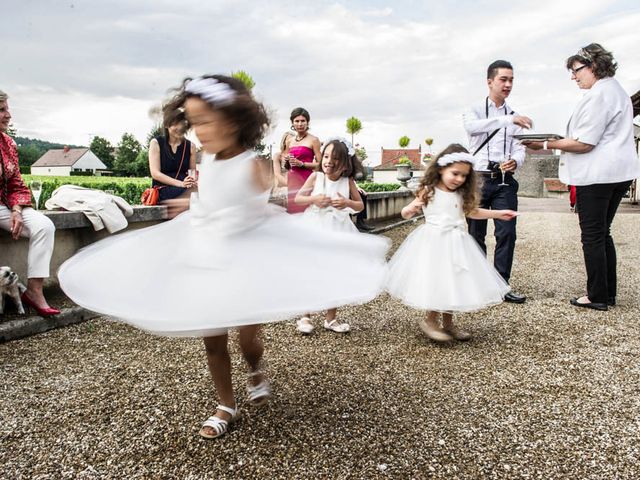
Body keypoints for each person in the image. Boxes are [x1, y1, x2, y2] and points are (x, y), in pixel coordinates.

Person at [58, 75, 389, 439]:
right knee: (213, 339)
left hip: (245, 257)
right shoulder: (206, 158)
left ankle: (255, 369)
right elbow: (210, 196)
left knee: (247, 340)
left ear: (234, 121)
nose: (199, 131)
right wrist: (190, 202)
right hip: (206, 256)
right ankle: (225, 404)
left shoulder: (253, 166)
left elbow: (257, 209)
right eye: (194, 122)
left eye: (205, 121)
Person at [523, 44, 640, 311]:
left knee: (592, 236)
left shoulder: (599, 95)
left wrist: (544, 144)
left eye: (576, 70)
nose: (573, 76)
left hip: (597, 175)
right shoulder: (616, 90)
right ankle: (607, 292)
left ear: (594, 66)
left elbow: (585, 143)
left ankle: (597, 295)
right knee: (603, 233)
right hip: (618, 174)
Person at [386, 144, 517, 342]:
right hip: (434, 242)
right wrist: (411, 209)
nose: (459, 179)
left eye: (464, 176)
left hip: (456, 242)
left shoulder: (461, 193)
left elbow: (472, 212)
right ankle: (430, 322)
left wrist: (498, 213)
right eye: (455, 173)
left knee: (452, 282)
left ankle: (448, 324)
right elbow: (406, 212)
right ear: (441, 169)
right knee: (437, 281)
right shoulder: (429, 191)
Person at [463, 60, 532, 304]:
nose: (508, 84)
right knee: (475, 234)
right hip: (478, 179)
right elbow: (471, 128)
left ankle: (501, 285)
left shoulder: (514, 116)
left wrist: (515, 160)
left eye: (511, 80)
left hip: (504, 180)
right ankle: (479, 284)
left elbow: (520, 148)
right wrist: (507, 121)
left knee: (507, 233)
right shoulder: (475, 110)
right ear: (490, 81)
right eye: (503, 79)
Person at [294, 137, 366, 334]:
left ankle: (330, 318)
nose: (328, 162)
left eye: (334, 159)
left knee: (335, 271)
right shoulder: (316, 177)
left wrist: (348, 203)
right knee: (310, 270)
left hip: (338, 230)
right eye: (326, 156)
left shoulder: (347, 181)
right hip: (315, 227)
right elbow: (299, 198)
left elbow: (360, 205)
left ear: (344, 164)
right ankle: (305, 316)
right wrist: (314, 199)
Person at [0, 90, 59, 317]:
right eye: (1, 110)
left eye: (7, 109)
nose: (8, 115)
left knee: (45, 226)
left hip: (6, 205)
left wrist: (16, 209)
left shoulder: (9, 144)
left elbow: (16, 183)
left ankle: (34, 290)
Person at [148, 103, 197, 202]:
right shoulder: (156, 143)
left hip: (184, 188)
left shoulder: (191, 146)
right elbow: (155, 173)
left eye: (182, 123)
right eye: (175, 124)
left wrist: (191, 182)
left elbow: (192, 173)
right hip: (163, 189)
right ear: (166, 125)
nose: (179, 127)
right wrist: (181, 183)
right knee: (190, 195)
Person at [282, 107, 321, 214]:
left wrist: (302, 164)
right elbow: (286, 166)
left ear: (308, 122)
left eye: (303, 121)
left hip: (307, 179)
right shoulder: (289, 141)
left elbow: (321, 165)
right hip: (292, 179)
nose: (300, 124)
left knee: (306, 210)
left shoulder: (314, 140)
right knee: (293, 210)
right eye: (297, 121)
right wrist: (286, 161)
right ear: (292, 123)